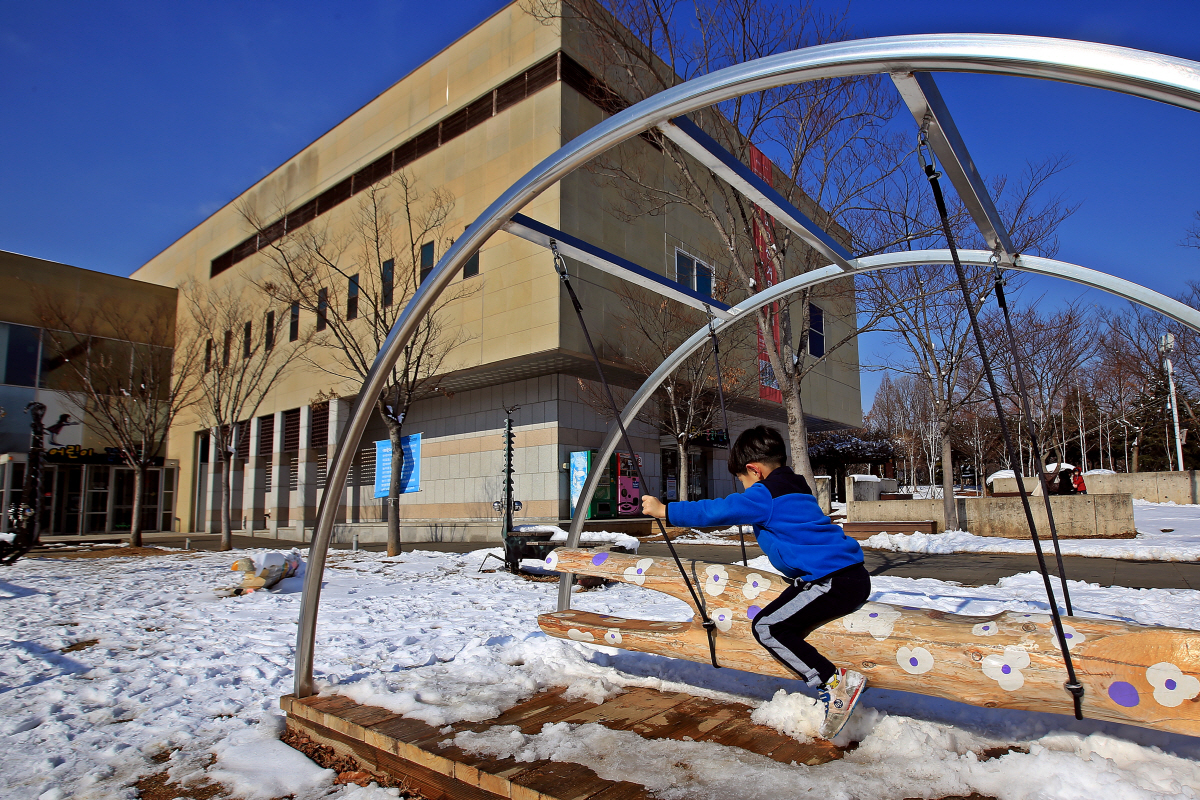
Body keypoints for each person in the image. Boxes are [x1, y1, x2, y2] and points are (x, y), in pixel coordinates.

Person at [640, 425, 870, 739]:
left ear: (755, 471)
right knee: (779, 617)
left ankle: (835, 684)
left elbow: (718, 510)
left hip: (832, 580)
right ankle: (833, 682)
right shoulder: (797, 488)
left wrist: (666, 510)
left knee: (767, 627)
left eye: (743, 481)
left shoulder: (765, 494)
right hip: (846, 575)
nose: (744, 489)